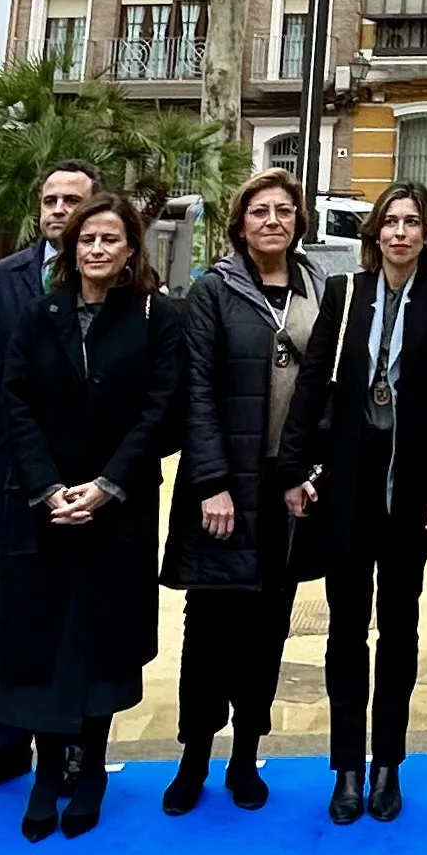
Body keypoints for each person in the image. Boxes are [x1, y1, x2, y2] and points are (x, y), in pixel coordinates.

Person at [0, 192, 183, 837]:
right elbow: (17, 401)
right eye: (86, 239)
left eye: (110, 240)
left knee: (101, 642)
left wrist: (109, 484)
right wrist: (48, 487)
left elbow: (161, 408)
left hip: (118, 510)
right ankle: (46, 768)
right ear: (69, 248)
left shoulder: (157, 317)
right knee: (40, 641)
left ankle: (91, 769)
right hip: (44, 509)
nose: (96, 250)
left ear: (129, 251)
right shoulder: (39, 314)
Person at [294, 181, 427, 823]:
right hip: (348, 486)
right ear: (374, 235)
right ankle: (344, 766)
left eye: (412, 222)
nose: (400, 233)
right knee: (346, 630)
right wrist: (294, 469)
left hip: (412, 490)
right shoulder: (345, 296)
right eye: (390, 222)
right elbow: (313, 387)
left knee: (400, 630)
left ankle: (387, 762)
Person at [162, 170, 324, 814]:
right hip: (224, 488)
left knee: (268, 629)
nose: (272, 221)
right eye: (259, 211)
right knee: (208, 628)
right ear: (240, 223)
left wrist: (307, 476)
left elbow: (326, 396)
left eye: (284, 210)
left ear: (298, 222)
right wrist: (211, 484)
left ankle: (245, 757)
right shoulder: (213, 290)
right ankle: (193, 757)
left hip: (286, 489)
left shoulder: (318, 289)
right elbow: (197, 389)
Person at [0, 166, 101, 809]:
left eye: (74, 200)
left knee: (73, 617)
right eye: (51, 199)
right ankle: (6, 741)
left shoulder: (115, 281)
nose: (60, 209)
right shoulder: (6, 276)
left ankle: (68, 742)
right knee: (8, 615)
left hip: (84, 483)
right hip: (13, 473)